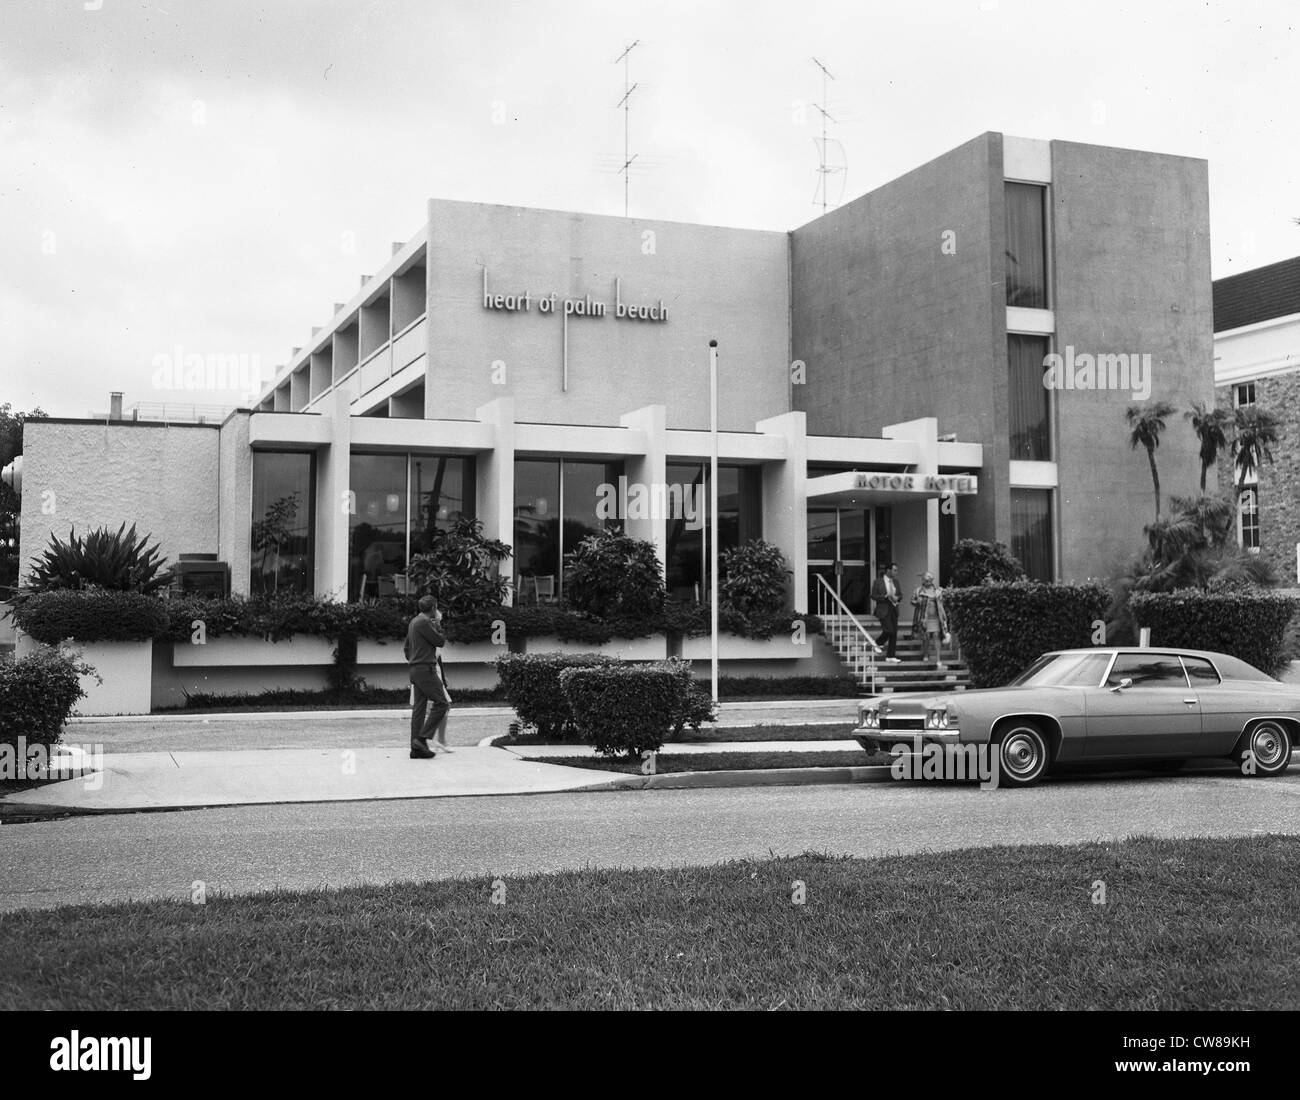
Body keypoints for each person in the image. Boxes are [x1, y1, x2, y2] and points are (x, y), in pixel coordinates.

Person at [404, 595, 452, 759]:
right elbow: (440, 641)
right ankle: (422, 739)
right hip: (426, 669)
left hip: (415, 669)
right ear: (433, 608)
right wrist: (438, 624)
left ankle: (416, 748)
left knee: (419, 708)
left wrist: (414, 659)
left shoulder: (413, 622)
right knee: (442, 703)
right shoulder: (425, 622)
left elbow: (406, 648)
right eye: (436, 608)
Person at [910, 572, 948, 666]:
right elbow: (912, 601)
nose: (928, 582)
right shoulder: (918, 590)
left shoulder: (937, 590)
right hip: (924, 617)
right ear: (923, 581)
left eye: (930, 580)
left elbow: (942, 602)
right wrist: (917, 601)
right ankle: (926, 655)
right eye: (926, 580)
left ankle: (938, 658)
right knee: (926, 636)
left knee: (936, 635)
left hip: (936, 617)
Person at [869, 562, 902, 663]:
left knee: (894, 634)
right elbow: (873, 595)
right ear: (888, 570)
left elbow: (900, 595)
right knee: (888, 630)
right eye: (895, 570)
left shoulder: (896, 582)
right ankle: (876, 643)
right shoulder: (878, 582)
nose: (896, 572)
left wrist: (897, 598)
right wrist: (884, 596)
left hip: (894, 608)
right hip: (883, 609)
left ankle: (890, 656)